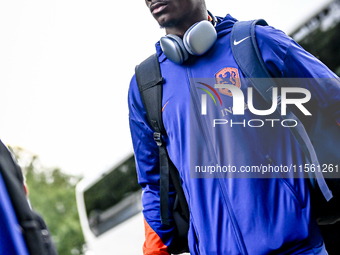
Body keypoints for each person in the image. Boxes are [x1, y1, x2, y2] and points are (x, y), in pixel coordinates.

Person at [128, 0, 340, 254]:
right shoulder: (146, 86)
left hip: (298, 248)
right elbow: (154, 185)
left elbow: (333, 103)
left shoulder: (257, 43)